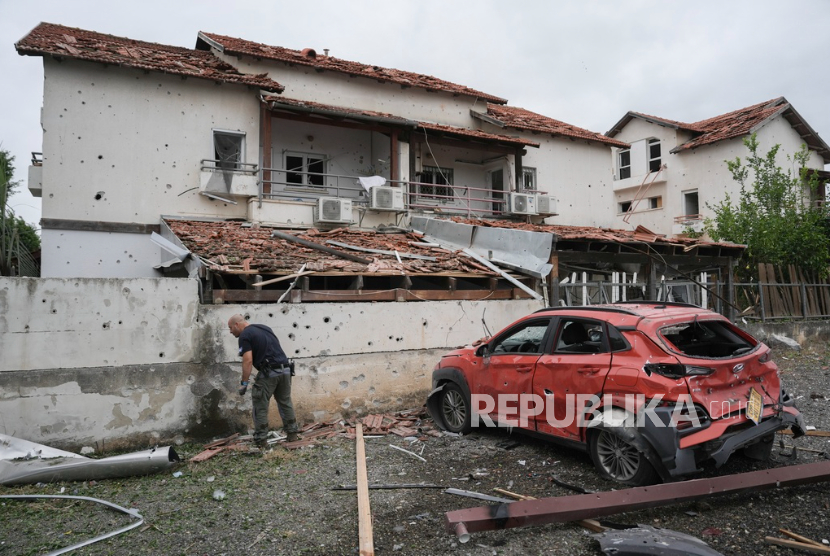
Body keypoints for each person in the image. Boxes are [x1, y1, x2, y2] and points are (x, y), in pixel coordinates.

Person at [227, 314, 300, 447]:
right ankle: (292, 434)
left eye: (230, 328)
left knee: (260, 404)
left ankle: (261, 440)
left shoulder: (245, 335)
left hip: (269, 372)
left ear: (237, 324)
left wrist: (244, 383)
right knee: (285, 402)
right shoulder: (265, 328)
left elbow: (247, 360)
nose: (230, 331)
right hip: (285, 370)